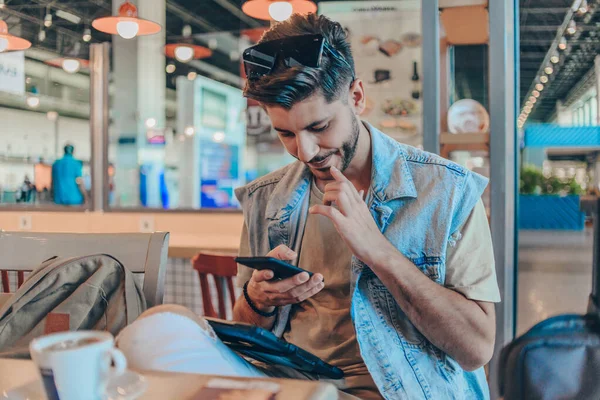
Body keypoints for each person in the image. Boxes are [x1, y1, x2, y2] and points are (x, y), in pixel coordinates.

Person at [119, 13, 500, 400]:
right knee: (156, 329)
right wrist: (258, 299)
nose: (305, 151)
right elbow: (249, 326)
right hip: (288, 379)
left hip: (398, 390)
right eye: (285, 133)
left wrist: (377, 251)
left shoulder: (447, 190)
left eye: (319, 127)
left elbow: (476, 350)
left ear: (356, 97)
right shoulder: (266, 198)